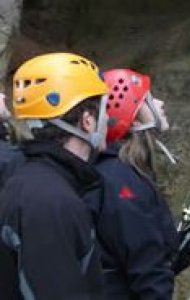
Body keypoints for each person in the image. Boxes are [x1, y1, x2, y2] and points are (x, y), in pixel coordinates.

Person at [94, 68, 190, 299]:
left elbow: (145, 255)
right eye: (148, 99)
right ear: (131, 113)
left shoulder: (122, 172)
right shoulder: (120, 181)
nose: (160, 103)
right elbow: (145, 269)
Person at [0, 52, 109, 300]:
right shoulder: (49, 202)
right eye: (105, 109)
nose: (109, 119)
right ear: (87, 121)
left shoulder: (39, 183)